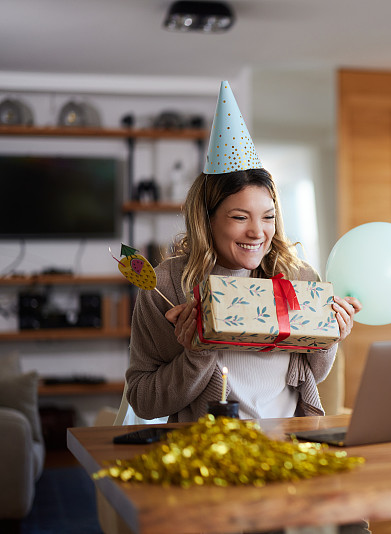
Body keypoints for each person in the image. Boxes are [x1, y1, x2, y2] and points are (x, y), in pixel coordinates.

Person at [125, 81, 360, 423]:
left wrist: (329, 338)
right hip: (211, 452)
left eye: (268, 217)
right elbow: (144, 401)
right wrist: (196, 353)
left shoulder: (298, 278)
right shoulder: (168, 285)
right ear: (206, 219)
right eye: (239, 217)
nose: (257, 232)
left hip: (289, 444)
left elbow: (311, 375)